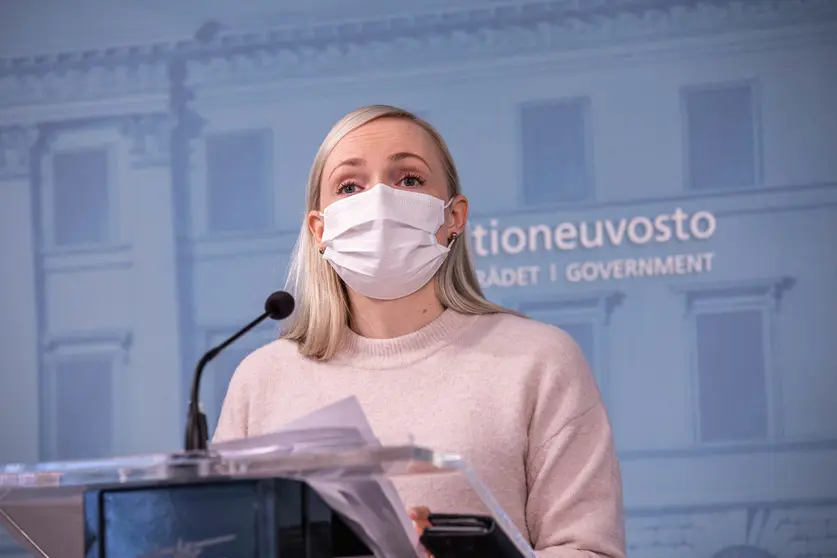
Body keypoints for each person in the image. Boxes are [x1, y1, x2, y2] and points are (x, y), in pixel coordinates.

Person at [213, 105, 626, 557]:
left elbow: (589, 549)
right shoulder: (263, 379)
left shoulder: (539, 361)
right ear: (319, 230)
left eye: (409, 179)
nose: (379, 202)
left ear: (454, 218)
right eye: (350, 186)